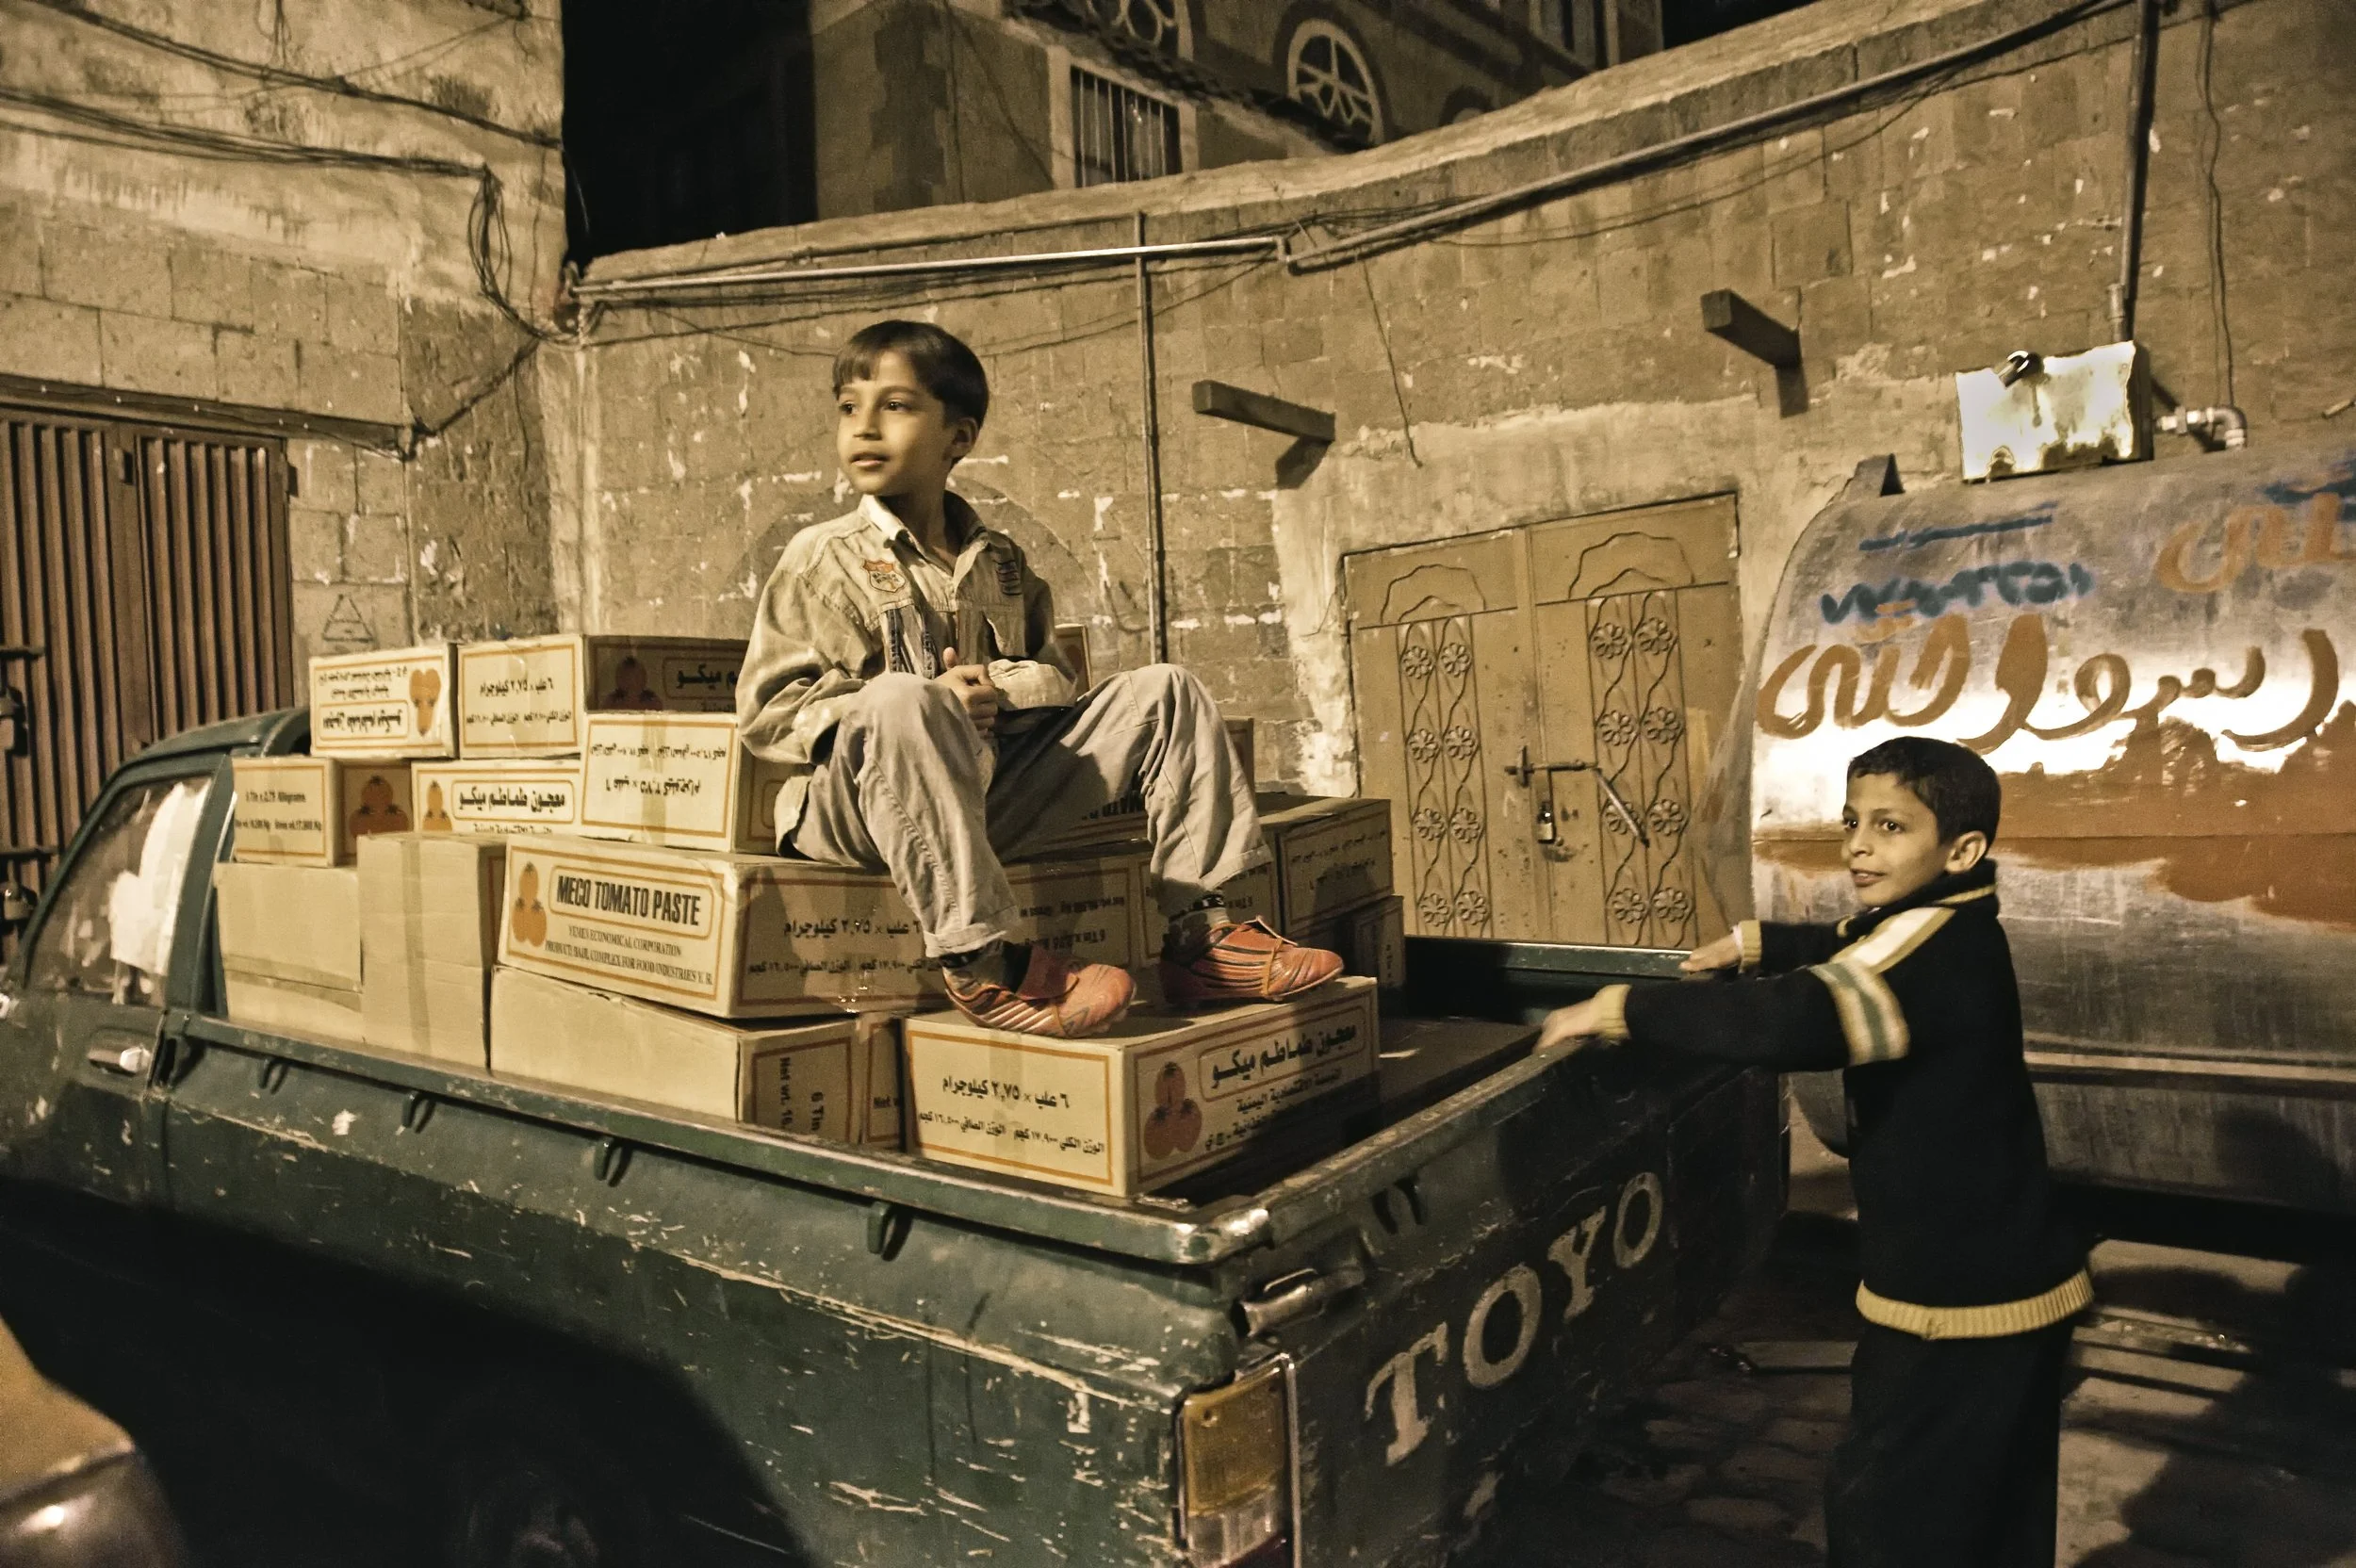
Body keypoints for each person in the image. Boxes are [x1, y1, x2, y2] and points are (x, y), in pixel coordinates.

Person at [1539, 736, 2087, 1568]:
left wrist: (1625, 1009)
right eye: (1851, 822)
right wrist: (1760, 944)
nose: (1860, 845)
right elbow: (1852, 940)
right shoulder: (1953, 924)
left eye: (1892, 827)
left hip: (1954, 1299)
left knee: (1891, 1508)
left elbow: (1803, 1016)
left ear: (1962, 849)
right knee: (1995, 1506)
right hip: (2012, 1275)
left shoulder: (1929, 951)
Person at [736, 319, 1341, 1038]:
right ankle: (978, 960)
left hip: (977, 798)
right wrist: (922, 704)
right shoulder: (821, 557)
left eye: (895, 406)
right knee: (903, 699)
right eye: (848, 407)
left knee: (1165, 691)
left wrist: (997, 690)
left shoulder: (1001, 562)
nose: (863, 426)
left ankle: (1201, 935)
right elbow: (768, 712)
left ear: (958, 438)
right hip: (859, 813)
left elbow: (1057, 676)